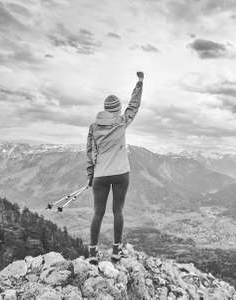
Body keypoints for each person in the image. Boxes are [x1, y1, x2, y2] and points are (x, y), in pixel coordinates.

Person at [86, 71, 144, 262]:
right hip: (121, 173)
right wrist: (140, 83)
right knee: (118, 211)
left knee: (98, 213)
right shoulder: (121, 122)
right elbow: (134, 106)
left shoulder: (93, 127)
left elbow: (90, 153)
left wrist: (90, 175)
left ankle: (92, 252)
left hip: (100, 176)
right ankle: (116, 250)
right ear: (117, 109)